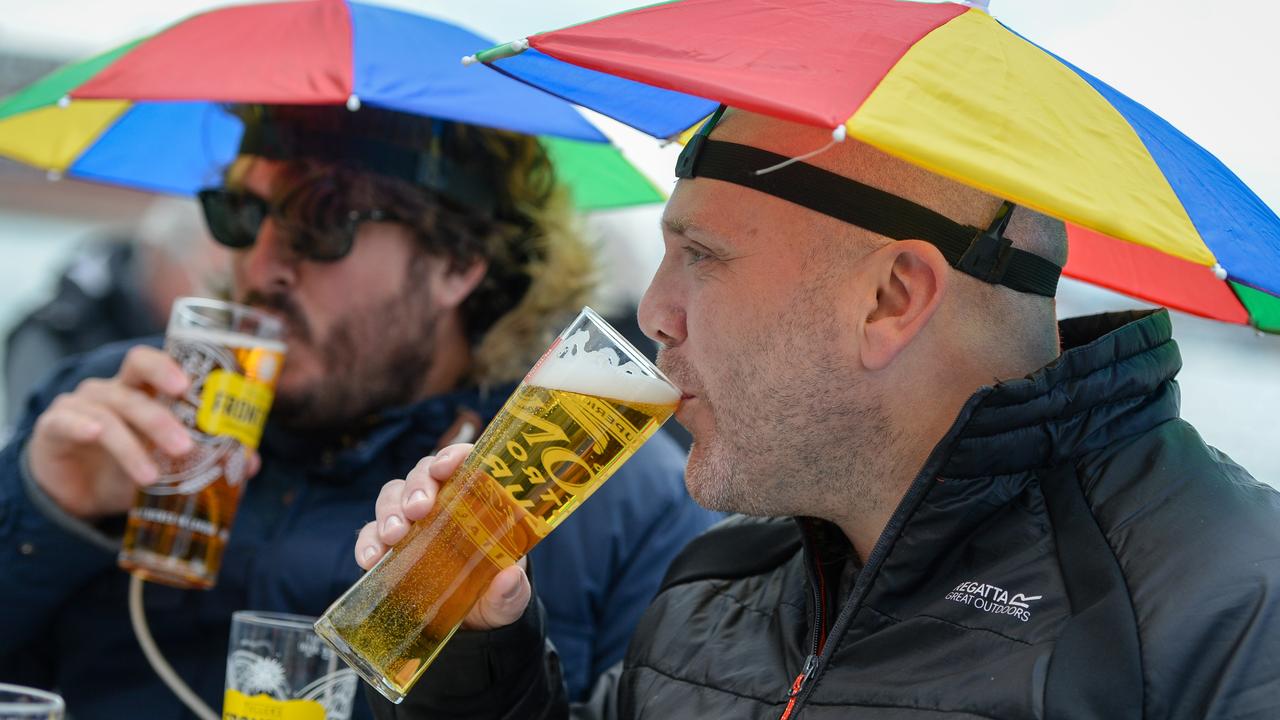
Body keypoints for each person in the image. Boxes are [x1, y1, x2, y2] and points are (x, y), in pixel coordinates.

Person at [357, 107, 1280, 720]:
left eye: (703, 256)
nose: (653, 311)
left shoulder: (1225, 612)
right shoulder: (713, 590)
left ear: (889, 299)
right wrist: (480, 648)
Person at [0, 104, 716, 718]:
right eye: (243, 213)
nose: (263, 264)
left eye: (322, 220)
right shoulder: (120, 406)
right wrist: (40, 510)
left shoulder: (611, 489)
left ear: (455, 263)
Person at [3, 197, 230, 427]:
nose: (220, 301)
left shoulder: (194, 339)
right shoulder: (59, 330)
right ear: (160, 260)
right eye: (213, 282)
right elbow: (23, 432)